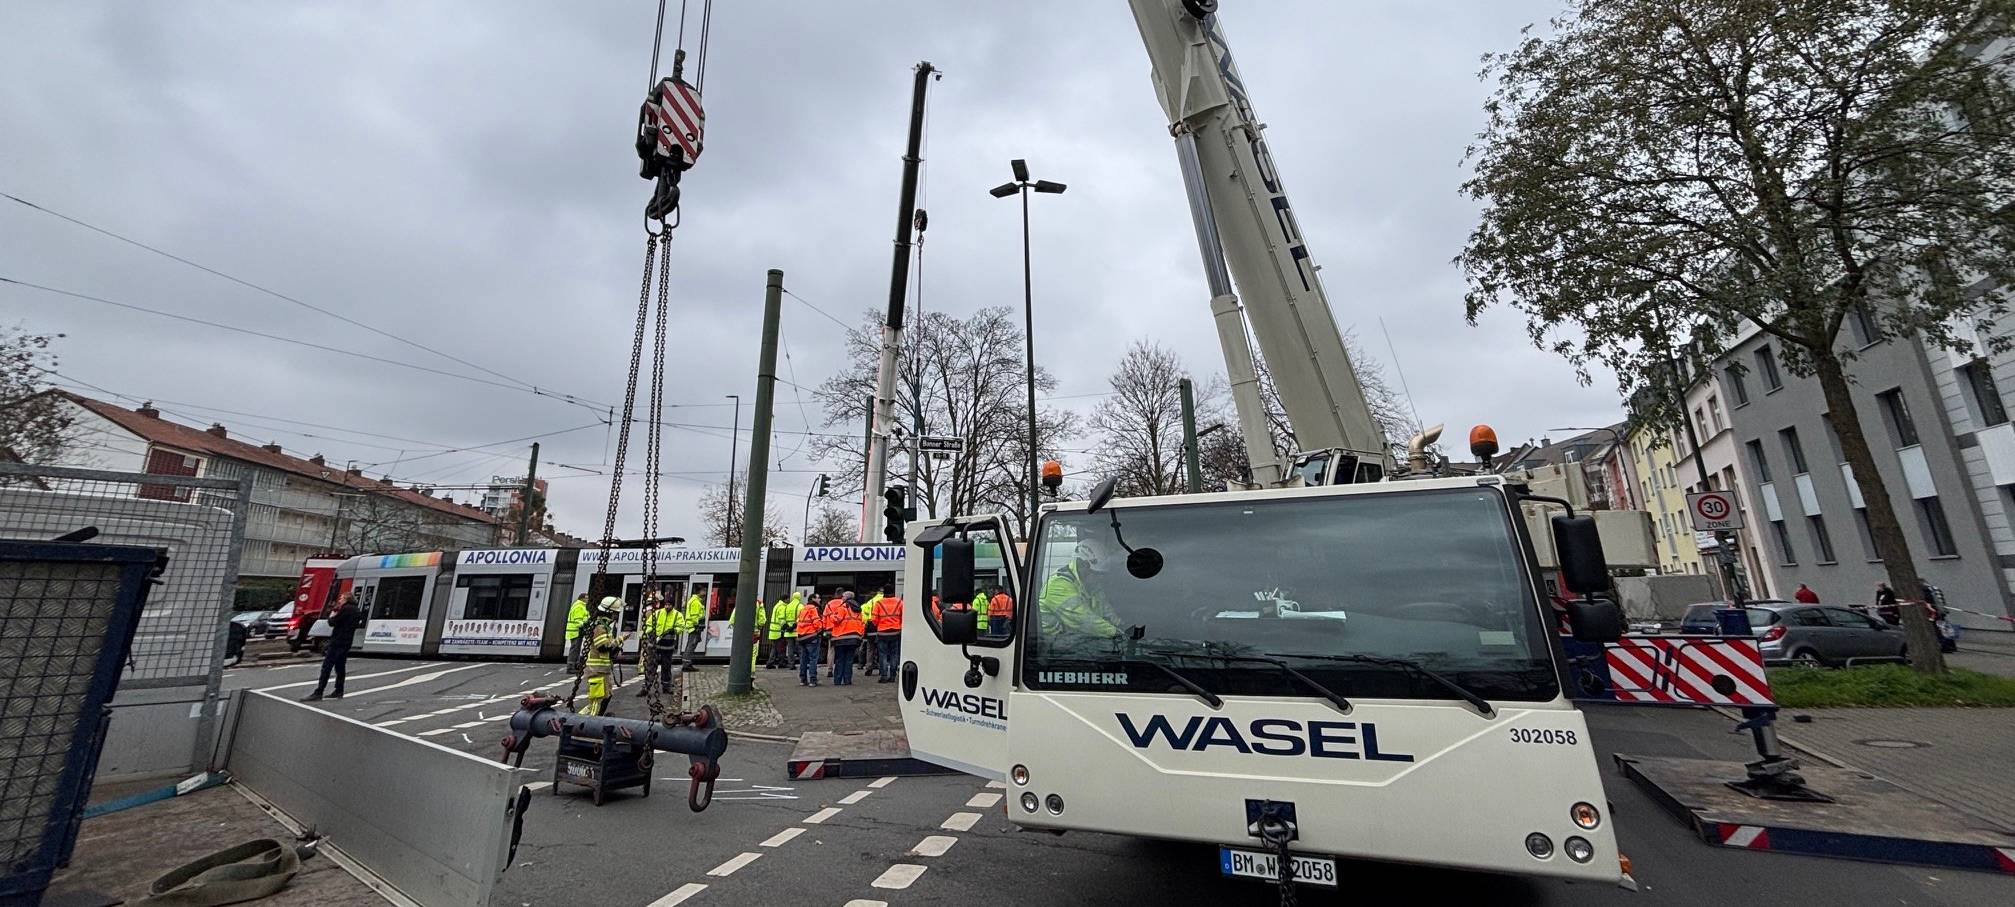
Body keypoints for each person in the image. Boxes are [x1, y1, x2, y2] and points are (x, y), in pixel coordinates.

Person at [1038, 534, 1126, 653]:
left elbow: (1105, 609)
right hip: (1052, 648)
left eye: (1102, 575)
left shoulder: (1090, 584)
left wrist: (1120, 624)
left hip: (1075, 642)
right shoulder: (1059, 585)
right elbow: (1084, 621)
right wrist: (1117, 633)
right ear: (1083, 565)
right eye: (1097, 574)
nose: (1100, 579)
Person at [304, 593, 364, 701]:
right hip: (347, 641)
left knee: (327, 666)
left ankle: (319, 691)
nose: (339, 600)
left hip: (337, 640)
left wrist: (331, 615)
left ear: (346, 599)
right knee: (340, 666)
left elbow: (333, 622)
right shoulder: (356, 610)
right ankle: (339, 690)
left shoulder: (345, 609)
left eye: (341, 598)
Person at [580, 597, 625, 716]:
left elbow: (606, 649)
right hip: (596, 670)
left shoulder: (605, 626)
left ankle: (578, 720)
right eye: (616, 613)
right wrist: (620, 640)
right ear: (609, 612)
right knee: (598, 701)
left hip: (602, 670)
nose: (616, 616)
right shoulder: (600, 627)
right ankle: (589, 724)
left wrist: (616, 649)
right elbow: (603, 647)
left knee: (606, 697)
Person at [649, 591, 681, 694]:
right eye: (666, 604)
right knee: (651, 665)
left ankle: (666, 686)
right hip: (656, 644)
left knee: (666, 667)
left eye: (669, 605)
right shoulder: (658, 613)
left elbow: (681, 627)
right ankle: (647, 685)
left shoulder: (677, 615)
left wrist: (675, 630)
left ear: (672, 605)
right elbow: (649, 624)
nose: (667, 606)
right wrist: (650, 632)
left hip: (668, 646)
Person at [831, 598, 866, 685]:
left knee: (840, 659)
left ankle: (838, 680)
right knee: (849, 660)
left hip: (841, 638)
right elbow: (862, 624)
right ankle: (847, 680)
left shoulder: (842, 608)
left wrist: (832, 616)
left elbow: (837, 620)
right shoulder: (858, 610)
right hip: (854, 638)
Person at [796, 591, 826, 686]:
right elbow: (817, 622)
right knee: (813, 659)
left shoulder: (803, 608)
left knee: (803, 659)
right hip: (811, 636)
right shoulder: (814, 608)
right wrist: (820, 630)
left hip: (801, 637)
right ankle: (813, 680)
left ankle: (803, 679)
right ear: (813, 599)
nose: (820, 599)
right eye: (818, 598)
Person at [875, 587, 903, 684]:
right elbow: (903, 616)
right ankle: (892, 676)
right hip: (895, 631)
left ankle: (883, 676)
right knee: (894, 654)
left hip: (882, 632)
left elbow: (874, 618)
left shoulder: (879, 603)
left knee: (883, 654)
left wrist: (879, 625)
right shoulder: (899, 602)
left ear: (883, 594)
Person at [765, 590, 797, 668]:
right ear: (785, 599)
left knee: (775, 648)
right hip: (778, 631)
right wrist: (788, 627)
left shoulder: (777, 605)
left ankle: (770, 662)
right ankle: (781, 663)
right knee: (781, 648)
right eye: (788, 599)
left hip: (773, 631)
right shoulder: (782, 607)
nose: (789, 601)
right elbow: (782, 619)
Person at [824, 592, 853, 679]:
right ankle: (843, 672)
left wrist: (825, 628)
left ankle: (830, 669)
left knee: (831, 649)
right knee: (842, 652)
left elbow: (824, 616)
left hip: (830, 629)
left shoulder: (829, 604)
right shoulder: (845, 604)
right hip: (842, 630)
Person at [563, 594, 592, 675]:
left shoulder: (580, 606)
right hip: (575, 631)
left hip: (576, 631)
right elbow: (578, 620)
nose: (587, 599)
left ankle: (575, 665)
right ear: (582, 599)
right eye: (586, 598)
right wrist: (585, 624)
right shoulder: (579, 607)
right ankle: (570, 667)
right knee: (574, 649)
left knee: (576, 649)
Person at [680, 590, 708, 672]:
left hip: (693, 627)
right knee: (691, 645)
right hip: (694, 627)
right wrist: (698, 625)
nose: (705, 594)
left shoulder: (695, 601)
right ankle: (686, 664)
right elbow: (695, 616)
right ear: (700, 592)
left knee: (691, 645)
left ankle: (687, 662)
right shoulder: (696, 602)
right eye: (704, 591)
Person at [861, 589, 884, 676]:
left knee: (870, 649)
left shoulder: (870, 603)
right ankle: (882, 669)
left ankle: (869, 668)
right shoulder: (884, 600)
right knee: (881, 650)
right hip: (882, 627)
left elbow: (864, 618)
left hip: (871, 628)